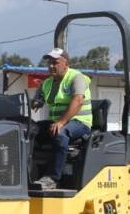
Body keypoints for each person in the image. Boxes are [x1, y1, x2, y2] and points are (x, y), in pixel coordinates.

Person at [32, 47, 93, 190]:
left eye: (55, 62)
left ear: (66, 63)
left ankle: (53, 178)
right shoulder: (47, 83)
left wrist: (61, 122)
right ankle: (31, 171)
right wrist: (36, 102)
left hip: (79, 123)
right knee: (28, 130)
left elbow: (78, 100)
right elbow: (38, 99)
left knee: (60, 133)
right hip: (57, 122)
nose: (51, 66)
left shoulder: (76, 78)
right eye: (49, 63)